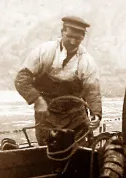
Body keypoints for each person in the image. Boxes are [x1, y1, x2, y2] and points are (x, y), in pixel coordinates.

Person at [15, 16, 102, 145]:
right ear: (62, 32)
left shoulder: (87, 61)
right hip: (46, 113)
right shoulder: (44, 51)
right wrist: (37, 100)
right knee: (47, 149)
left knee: (81, 151)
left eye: (78, 38)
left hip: (76, 116)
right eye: (69, 36)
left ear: (83, 38)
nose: (73, 42)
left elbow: (92, 92)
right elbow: (21, 79)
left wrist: (96, 114)